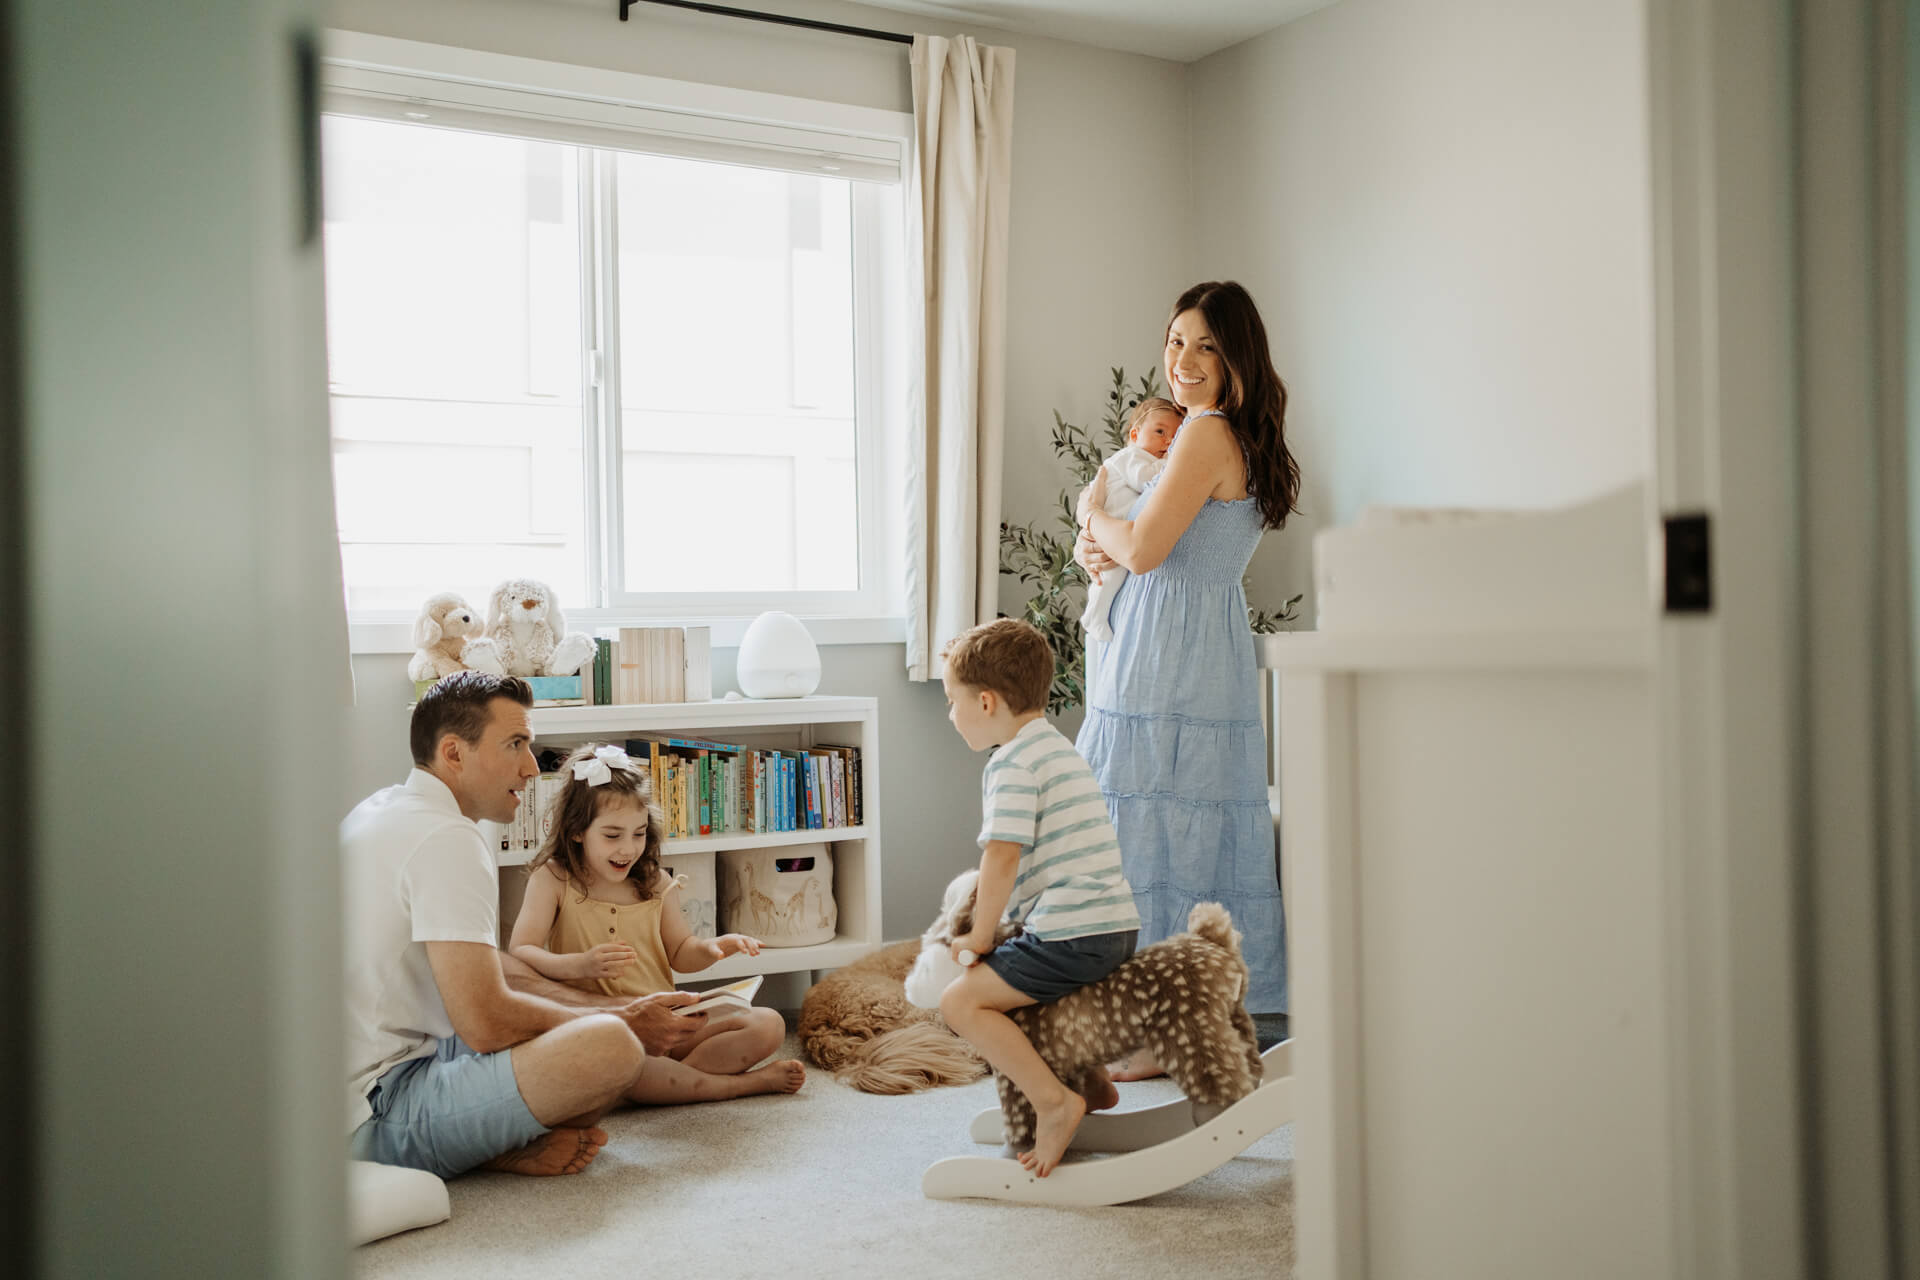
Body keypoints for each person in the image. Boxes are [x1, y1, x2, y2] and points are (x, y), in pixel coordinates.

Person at [343, 671, 709, 1180]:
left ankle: (496, 1137)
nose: (532, 769)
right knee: (613, 1049)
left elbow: (487, 972)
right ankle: (497, 1145)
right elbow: (486, 1023)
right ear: (454, 753)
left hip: (349, 1082)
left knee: (509, 970)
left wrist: (622, 1005)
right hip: (376, 1109)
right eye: (515, 744)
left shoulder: (385, 807)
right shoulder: (447, 840)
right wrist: (625, 1024)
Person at [1073, 280, 1300, 1079]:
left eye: (1205, 344)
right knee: (1184, 828)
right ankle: (1182, 1009)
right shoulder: (1227, 434)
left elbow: (1140, 550)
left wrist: (1087, 513)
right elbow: (1135, 545)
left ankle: (1152, 1020)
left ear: (1236, 354)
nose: (1185, 360)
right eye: (1175, 341)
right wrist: (1108, 537)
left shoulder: (1204, 433)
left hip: (1167, 657)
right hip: (1188, 646)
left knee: (1148, 828)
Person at [936, 617, 1142, 1177]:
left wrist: (980, 935)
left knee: (961, 1001)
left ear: (985, 702)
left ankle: (1055, 1104)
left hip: (1072, 931)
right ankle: (1092, 1083)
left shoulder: (1012, 764)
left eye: (952, 702)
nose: (950, 715)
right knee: (1023, 988)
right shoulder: (1055, 748)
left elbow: (1001, 856)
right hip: (1113, 924)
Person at [508, 742, 806, 1104]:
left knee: (769, 1024)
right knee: (620, 1062)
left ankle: (662, 1085)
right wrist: (579, 964)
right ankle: (741, 1085)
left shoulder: (655, 883)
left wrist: (715, 948)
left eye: (638, 833)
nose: (628, 849)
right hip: (607, 1030)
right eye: (612, 835)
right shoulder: (553, 879)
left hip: (669, 1022)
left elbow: (682, 953)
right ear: (576, 831)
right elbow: (520, 951)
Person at [1079, 396, 1182, 645]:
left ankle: (1098, 614)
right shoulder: (1130, 457)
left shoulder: (1148, 459)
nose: (1168, 442)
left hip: (1118, 533)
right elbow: (1145, 480)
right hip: (1111, 531)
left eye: (1175, 437)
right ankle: (1094, 615)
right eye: (1159, 431)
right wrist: (1172, 463)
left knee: (1114, 575)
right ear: (1135, 435)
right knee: (1110, 576)